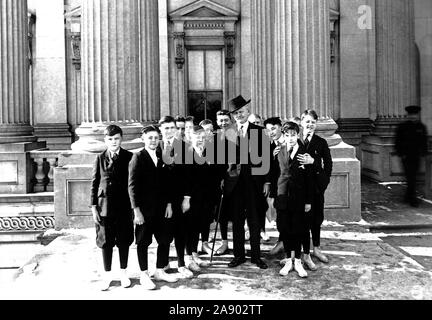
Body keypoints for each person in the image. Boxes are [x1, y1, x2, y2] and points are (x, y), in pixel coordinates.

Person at [128, 125, 178, 289]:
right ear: (143, 139)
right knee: (143, 242)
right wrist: (137, 211)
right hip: (144, 210)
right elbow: (132, 186)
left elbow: (169, 183)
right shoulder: (138, 157)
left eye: (156, 137)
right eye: (150, 137)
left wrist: (169, 204)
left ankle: (159, 270)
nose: (153, 140)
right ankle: (143, 274)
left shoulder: (162, 156)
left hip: (162, 207)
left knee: (164, 239)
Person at [224, 95, 270, 270]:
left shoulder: (259, 132)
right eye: (236, 113)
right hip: (234, 184)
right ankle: (239, 256)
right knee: (236, 221)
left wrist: (267, 182)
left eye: (241, 111)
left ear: (248, 111)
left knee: (255, 220)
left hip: (254, 183)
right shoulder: (228, 132)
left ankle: (256, 257)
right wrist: (223, 180)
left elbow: (266, 159)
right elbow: (223, 160)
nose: (239, 115)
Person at [90, 125, 134, 291]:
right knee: (105, 241)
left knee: (124, 240)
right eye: (110, 139)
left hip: (123, 206)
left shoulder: (130, 157)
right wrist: (93, 207)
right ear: (105, 140)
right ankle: (107, 275)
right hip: (104, 207)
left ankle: (123, 273)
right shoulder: (100, 158)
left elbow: (133, 183)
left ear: (121, 139)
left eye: (116, 138)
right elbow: (94, 183)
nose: (113, 142)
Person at [158, 116, 198, 278]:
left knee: (180, 231)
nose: (169, 131)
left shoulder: (185, 147)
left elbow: (189, 176)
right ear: (160, 130)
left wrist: (187, 198)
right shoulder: (156, 146)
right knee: (164, 231)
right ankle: (164, 262)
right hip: (161, 198)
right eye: (165, 128)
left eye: (171, 128)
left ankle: (182, 263)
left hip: (179, 197)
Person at [274, 121, 313, 278]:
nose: (290, 138)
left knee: (298, 229)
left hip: (299, 197)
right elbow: (275, 173)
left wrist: (308, 201)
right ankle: (288, 261)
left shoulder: (304, 153)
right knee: (285, 228)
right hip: (283, 195)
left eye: (293, 135)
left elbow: (309, 179)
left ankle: (297, 261)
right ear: (284, 136)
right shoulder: (279, 150)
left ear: (298, 135)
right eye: (287, 135)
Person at [297, 110, 333, 264]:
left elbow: (329, 165)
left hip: (316, 188)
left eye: (313, 122)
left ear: (316, 124)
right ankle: (301, 252)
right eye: (307, 122)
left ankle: (316, 248)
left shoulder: (321, 142)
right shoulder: (295, 140)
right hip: (299, 187)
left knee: (316, 218)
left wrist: (314, 163)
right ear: (301, 123)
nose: (310, 125)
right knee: (302, 219)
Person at [395, 105, 428, 207]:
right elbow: (398, 141)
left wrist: (424, 153)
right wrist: (401, 153)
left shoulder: (421, 127)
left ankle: (408, 196)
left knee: (412, 177)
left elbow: (424, 141)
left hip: (416, 156)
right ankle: (412, 199)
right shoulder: (402, 127)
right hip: (406, 156)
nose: (413, 117)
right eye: (411, 115)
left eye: (415, 115)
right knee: (411, 177)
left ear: (417, 115)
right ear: (408, 115)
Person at [213, 110, 234, 255]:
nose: (223, 123)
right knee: (222, 214)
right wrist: (220, 178)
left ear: (230, 120)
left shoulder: (237, 136)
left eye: (226, 120)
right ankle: (224, 242)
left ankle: (240, 243)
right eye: (220, 120)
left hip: (236, 180)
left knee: (238, 213)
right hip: (221, 181)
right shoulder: (214, 138)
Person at [264, 117, 285, 256]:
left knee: (285, 214)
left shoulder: (289, 140)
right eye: (268, 130)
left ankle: (285, 243)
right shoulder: (270, 144)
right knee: (280, 213)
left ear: (280, 127)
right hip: (277, 185)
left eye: (274, 128)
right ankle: (282, 241)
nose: (271, 132)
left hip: (289, 185)